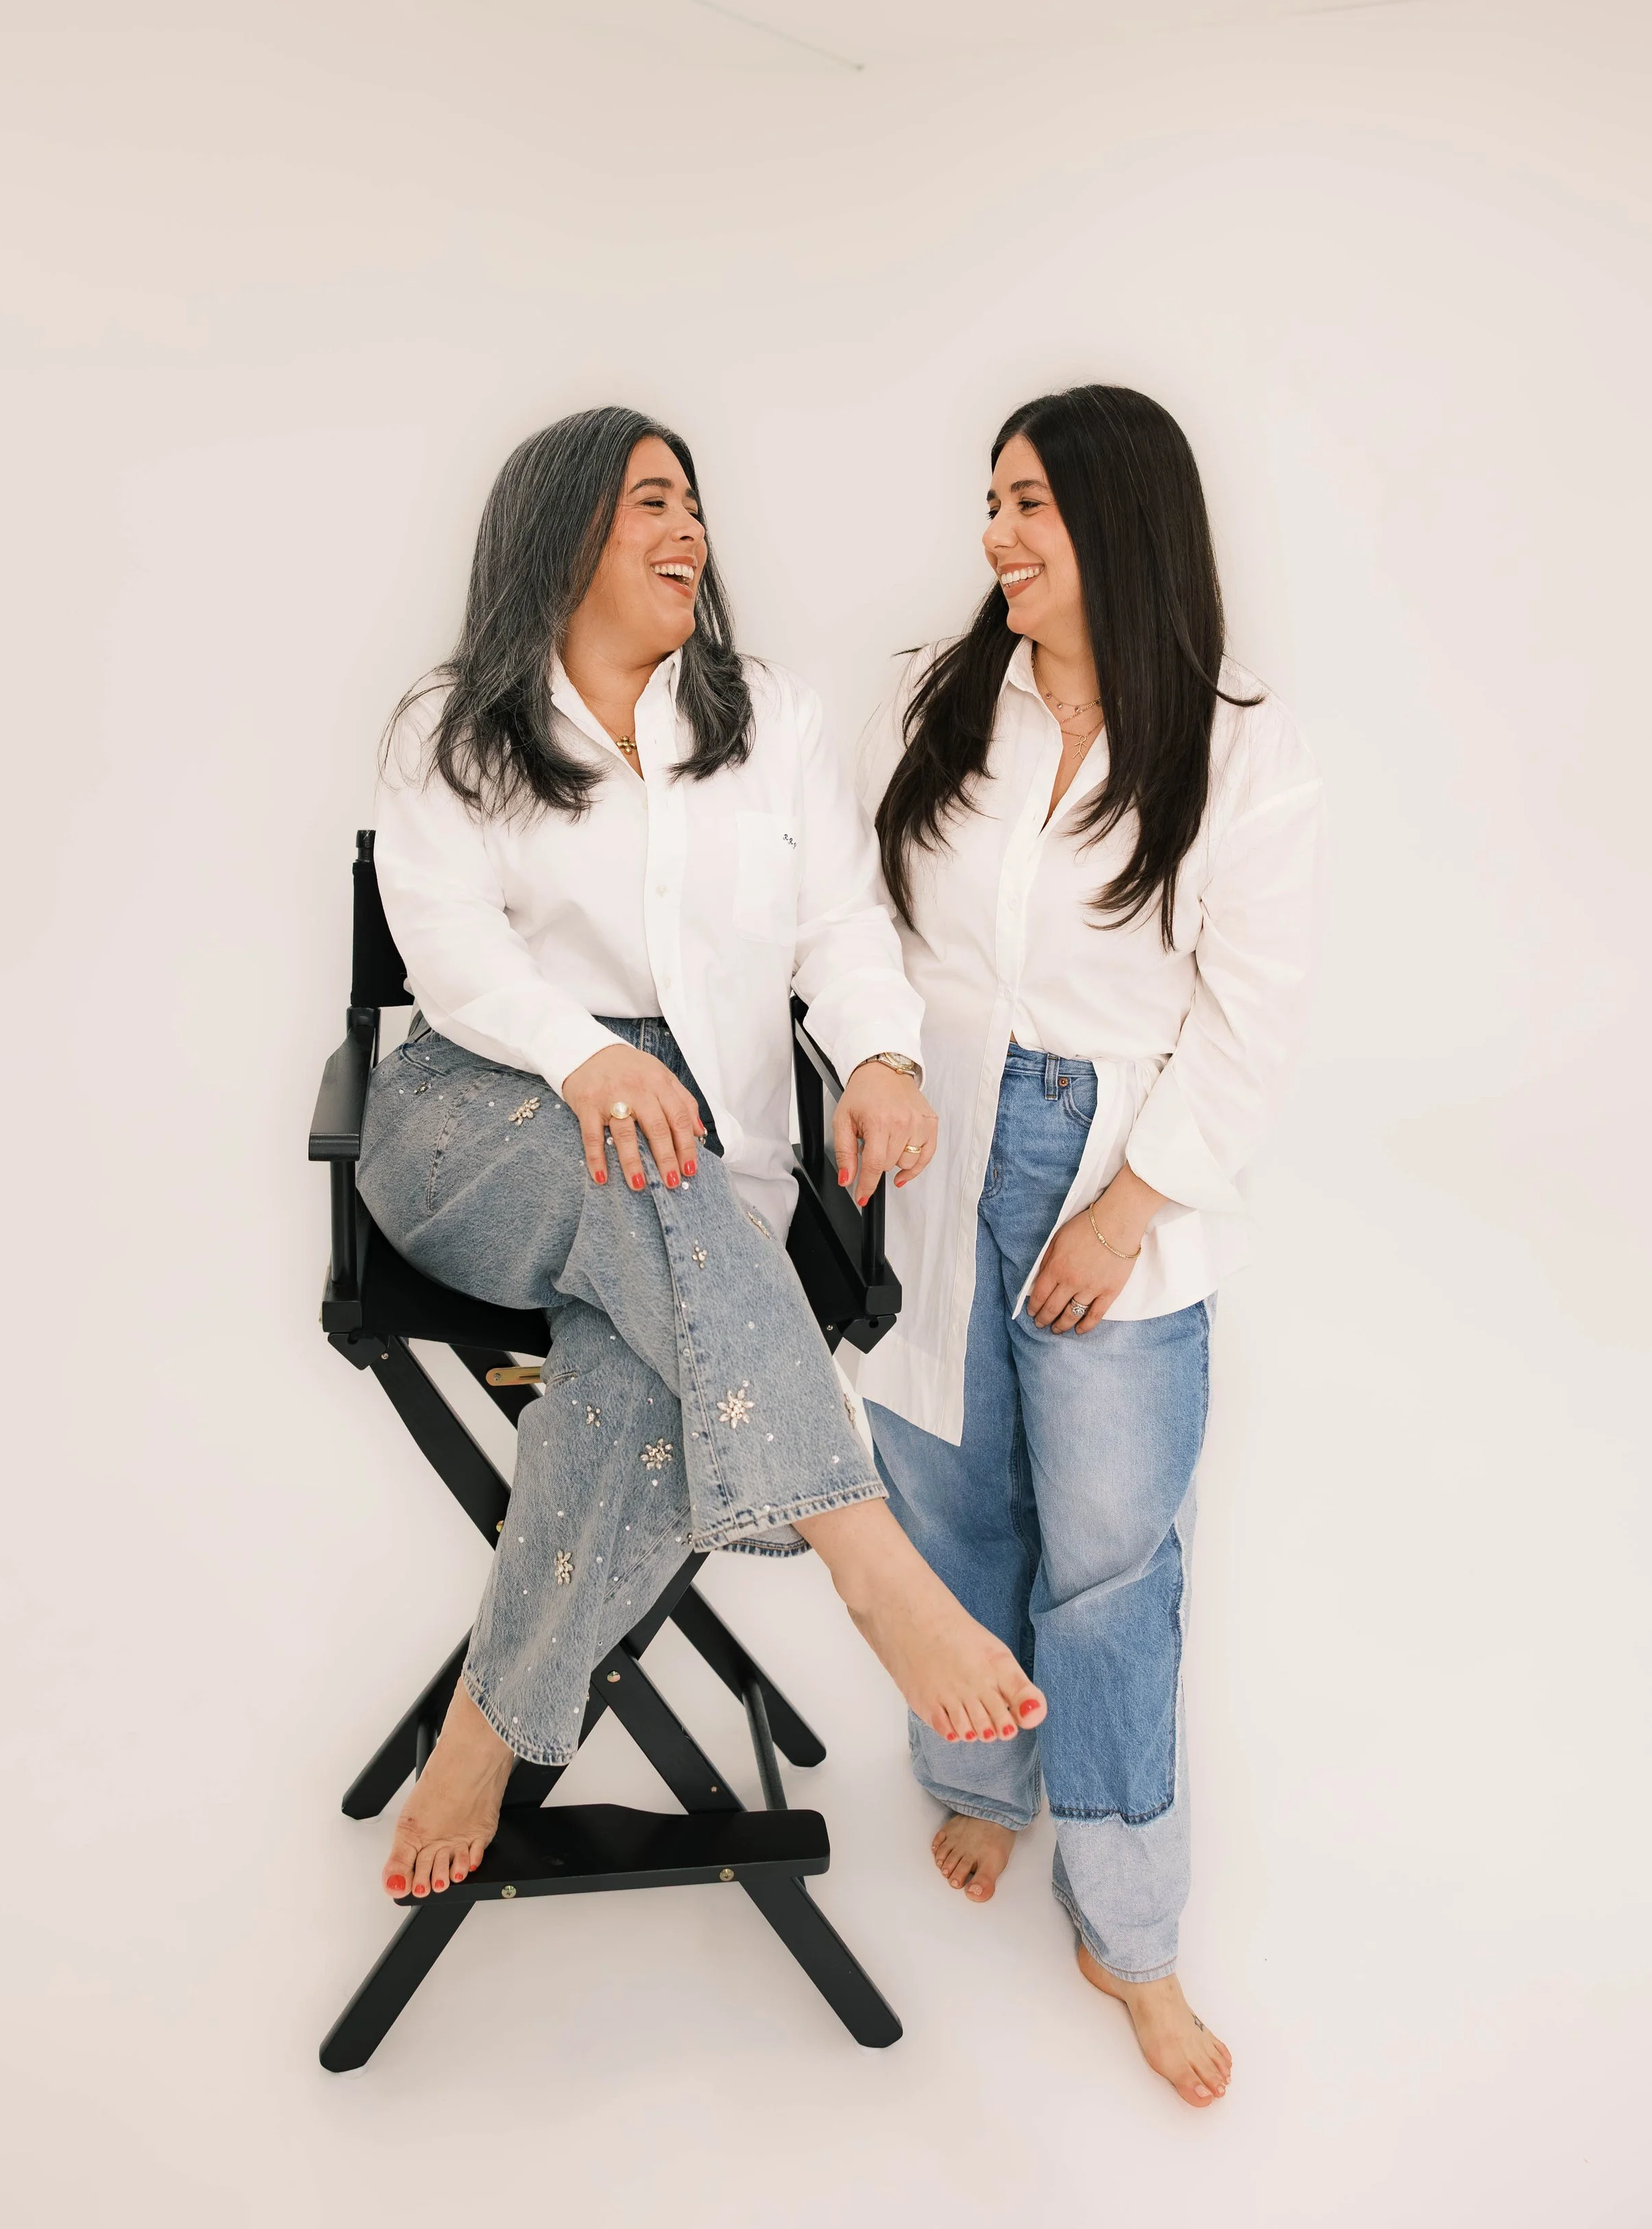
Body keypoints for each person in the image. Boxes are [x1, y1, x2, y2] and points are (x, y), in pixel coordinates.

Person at [357, 404, 1046, 1904]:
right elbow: (449, 946)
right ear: (557, 537)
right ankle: (872, 1569)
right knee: (658, 1201)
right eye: (648, 503)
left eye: (692, 504)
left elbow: (843, 923)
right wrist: (585, 1055)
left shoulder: (769, 719)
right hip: (481, 1112)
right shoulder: (452, 725)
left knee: (633, 1376)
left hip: (688, 1157)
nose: (688, 531)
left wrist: (874, 1055)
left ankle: (489, 1729)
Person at [860, 385, 1322, 2108]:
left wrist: (1131, 1200)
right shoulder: (940, 696)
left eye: (1031, 505)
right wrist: (876, 1082)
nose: (996, 536)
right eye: (991, 500)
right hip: (931, 1133)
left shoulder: (1238, 746)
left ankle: (1127, 1927)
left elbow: (1251, 1021)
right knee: (945, 1487)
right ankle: (977, 1782)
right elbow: (858, 912)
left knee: (1112, 1561)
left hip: (1110, 1156)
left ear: (1118, 524)